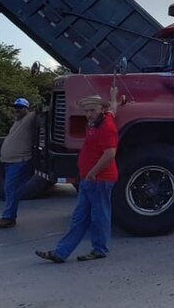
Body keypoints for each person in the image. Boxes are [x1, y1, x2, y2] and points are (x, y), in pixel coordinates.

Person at [36, 94, 118, 263]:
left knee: (98, 216)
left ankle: (98, 249)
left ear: (101, 109)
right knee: (80, 217)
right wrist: (114, 96)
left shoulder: (107, 127)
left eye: (92, 110)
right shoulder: (97, 122)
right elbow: (113, 109)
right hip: (90, 179)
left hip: (100, 179)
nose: (89, 114)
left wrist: (93, 172)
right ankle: (61, 253)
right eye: (87, 111)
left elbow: (110, 154)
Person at [0, 97, 41, 229]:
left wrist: (37, 107)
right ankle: (9, 216)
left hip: (19, 161)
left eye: (21, 107)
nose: (17, 110)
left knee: (11, 189)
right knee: (12, 190)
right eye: (16, 107)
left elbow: (39, 111)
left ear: (27, 108)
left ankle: (8, 218)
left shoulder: (29, 118)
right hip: (10, 161)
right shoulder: (17, 121)